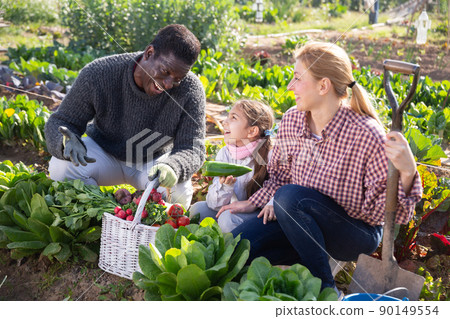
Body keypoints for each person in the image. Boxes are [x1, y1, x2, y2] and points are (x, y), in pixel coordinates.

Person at [220, 41, 423, 291]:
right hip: (298, 222)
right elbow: (281, 177)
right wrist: (252, 203)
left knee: (290, 198)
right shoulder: (293, 119)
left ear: (323, 85)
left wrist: (407, 171)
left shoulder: (365, 133)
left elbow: (389, 214)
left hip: (353, 233)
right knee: (238, 249)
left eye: (297, 78)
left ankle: (327, 290)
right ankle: (296, 269)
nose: (290, 86)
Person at [44, 24, 206, 209]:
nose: (169, 84)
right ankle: (104, 210)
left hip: (152, 162)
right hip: (105, 153)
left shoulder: (191, 90)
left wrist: (173, 166)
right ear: (149, 53)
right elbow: (61, 121)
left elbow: (193, 147)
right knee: (61, 168)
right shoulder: (99, 73)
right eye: (165, 72)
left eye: (177, 79)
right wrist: (66, 142)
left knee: (178, 192)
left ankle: (142, 225)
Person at [190, 99, 275, 233]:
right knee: (198, 210)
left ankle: (241, 249)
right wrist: (225, 187)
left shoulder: (269, 155)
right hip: (235, 210)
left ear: (252, 131)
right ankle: (216, 241)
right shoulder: (225, 153)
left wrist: (260, 203)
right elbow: (214, 205)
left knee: (227, 219)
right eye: (227, 117)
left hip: (261, 216)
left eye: (233, 118)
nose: (224, 122)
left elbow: (280, 187)